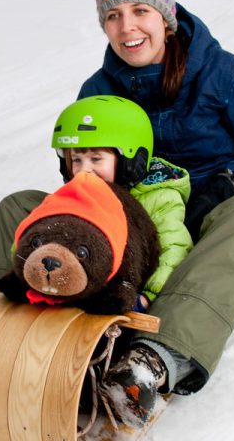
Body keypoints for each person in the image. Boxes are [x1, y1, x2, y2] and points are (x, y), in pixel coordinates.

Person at [0, 0, 234, 427]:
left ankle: (154, 361)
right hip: (124, 220)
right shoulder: (98, 90)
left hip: (204, 213)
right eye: (113, 15)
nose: (128, 27)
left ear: (165, 16)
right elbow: (80, 166)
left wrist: (227, 185)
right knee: (20, 205)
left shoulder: (227, 77)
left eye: (141, 10)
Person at [50, 95, 193, 309]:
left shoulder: (159, 196)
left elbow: (174, 249)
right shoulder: (79, 195)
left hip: (133, 294)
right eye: (76, 160)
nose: (83, 169)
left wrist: (147, 297)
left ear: (130, 160)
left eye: (96, 159)